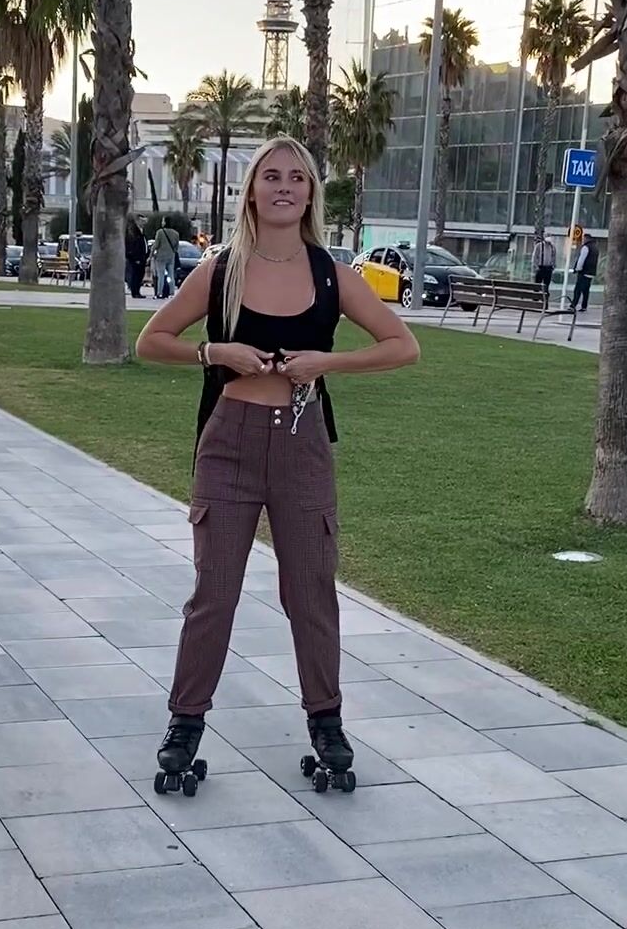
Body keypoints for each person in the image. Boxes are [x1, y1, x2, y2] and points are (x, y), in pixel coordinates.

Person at [136, 136, 420, 795]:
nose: (284, 186)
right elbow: (152, 340)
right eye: (271, 176)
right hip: (229, 443)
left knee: (311, 590)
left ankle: (327, 724)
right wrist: (216, 353)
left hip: (301, 441)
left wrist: (327, 363)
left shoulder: (332, 275)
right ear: (253, 191)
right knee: (214, 592)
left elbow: (402, 345)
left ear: (310, 191)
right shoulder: (221, 270)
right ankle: (184, 725)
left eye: (297, 177)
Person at [569, 234, 599, 314]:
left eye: (583, 239)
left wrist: (577, 269)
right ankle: (584, 306)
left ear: (586, 239)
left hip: (584, 272)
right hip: (591, 273)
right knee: (586, 291)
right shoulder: (595, 248)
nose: (583, 240)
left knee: (578, 290)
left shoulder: (586, 247)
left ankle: (573, 305)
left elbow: (581, 259)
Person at [152, 217, 180, 300]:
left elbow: (156, 245)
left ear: (165, 222)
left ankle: (159, 293)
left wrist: (152, 253)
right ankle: (172, 292)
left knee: (160, 275)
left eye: (163, 221)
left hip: (160, 256)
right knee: (171, 275)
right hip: (171, 256)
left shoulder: (160, 232)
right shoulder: (176, 233)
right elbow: (176, 247)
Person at [125, 218, 148, 299]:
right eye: (142, 221)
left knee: (139, 275)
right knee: (136, 276)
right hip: (137, 258)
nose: (144, 222)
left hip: (142, 257)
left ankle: (136, 291)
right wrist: (136, 258)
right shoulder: (134, 233)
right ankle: (135, 292)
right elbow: (134, 246)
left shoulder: (141, 232)